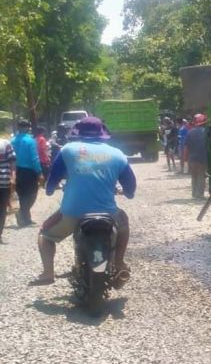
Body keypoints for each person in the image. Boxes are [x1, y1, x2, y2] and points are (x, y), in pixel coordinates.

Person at [34, 117, 137, 286]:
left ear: (77, 133)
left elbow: (53, 177)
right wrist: (128, 193)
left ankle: (47, 273)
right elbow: (130, 187)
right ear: (103, 134)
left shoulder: (68, 150)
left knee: (45, 234)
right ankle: (119, 262)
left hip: (72, 211)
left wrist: (50, 189)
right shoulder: (117, 153)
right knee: (123, 222)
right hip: (107, 213)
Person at [11, 119, 41, 227]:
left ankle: (26, 217)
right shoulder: (30, 141)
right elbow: (34, 158)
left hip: (16, 170)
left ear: (18, 127)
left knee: (22, 194)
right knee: (32, 194)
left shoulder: (12, 140)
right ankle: (22, 213)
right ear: (28, 128)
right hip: (29, 171)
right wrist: (39, 172)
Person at [182, 113, 209, 199]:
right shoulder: (206, 132)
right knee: (201, 176)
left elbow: (186, 147)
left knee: (194, 176)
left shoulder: (190, 132)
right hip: (202, 158)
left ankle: (194, 193)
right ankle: (199, 195)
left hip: (192, 159)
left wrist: (185, 159)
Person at [0, 135, 14, 243]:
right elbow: (12, 162)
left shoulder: (6, 143)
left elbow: (12, 161)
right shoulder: (6, 143)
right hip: (4, 181)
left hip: (4, 181)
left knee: (2, 209)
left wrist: (13, 176)